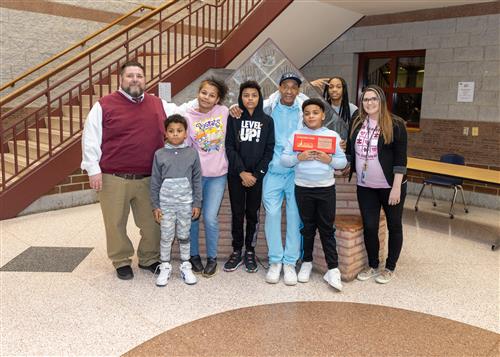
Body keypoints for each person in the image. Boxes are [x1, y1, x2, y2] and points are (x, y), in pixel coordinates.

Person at [81, 60, 165, 280]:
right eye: (130, 75)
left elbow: (189, 112)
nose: (135, 79)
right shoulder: (104, 105)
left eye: (139, 75)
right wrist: (93, 169)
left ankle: (149, 258)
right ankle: (121, 260)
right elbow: (90, 138)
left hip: (149, 178)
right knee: (115, 222)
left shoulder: (158, 103)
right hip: (113, 177)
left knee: (151, 222)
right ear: (121, 79)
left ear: (145, 79)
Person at [230, 72, 307, 286]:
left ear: (298, 90)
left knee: (293, 215)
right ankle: (275, 261)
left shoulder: (303, 110)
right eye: (286, 86)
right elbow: (244, 109)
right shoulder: (267, 108)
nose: (290, 90)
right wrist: (233, 108)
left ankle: (290, 262)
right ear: (279, 88)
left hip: (295, 172)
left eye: (294, 87)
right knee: (272, 214)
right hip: (272, 172)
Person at [281, 98, 347, 291]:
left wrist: (330, 159)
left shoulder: (332, 136)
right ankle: (307, 262)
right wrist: (297, 157)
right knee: (307, 227)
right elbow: (285, 160)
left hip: (326, 188)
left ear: (323, 115)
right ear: (304, 116)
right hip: (302, 188)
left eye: (315, 112)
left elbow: (342, 163)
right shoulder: (296, 136)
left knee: (327, 229)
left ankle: (333, 269)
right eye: (307, 113)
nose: (311, 116)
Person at [345, 84, 408, 284]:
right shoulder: (356, 121)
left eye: (373, 99)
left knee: (394, 225)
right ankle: (373, 264)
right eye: (365, 99)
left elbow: (400, 159)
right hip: (365, 186)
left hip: (390, 186)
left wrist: (396, 187)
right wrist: (345, 162)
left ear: (381, 101)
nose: (369, 103)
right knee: (370, 227)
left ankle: (390, 267)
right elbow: (350, 149)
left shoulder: (396, 124)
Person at [223, 81, 275, 273]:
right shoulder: (234, 118)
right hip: (236, 175)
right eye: (246, 95)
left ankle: (250, 251)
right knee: (237, 213)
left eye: (254, 95)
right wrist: (241, 172)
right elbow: (229, 147)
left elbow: (269, 150)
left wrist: (256, 174)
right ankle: (236, 250)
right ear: (241, 97)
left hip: (257, 177)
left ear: (259, 98)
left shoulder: (268, 121)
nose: (250, 99)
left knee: (252, 214)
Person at [183, 77, 230, 278]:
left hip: (218, 175)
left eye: (212, 95)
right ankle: (193, 256)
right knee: (192, 217)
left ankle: (212, 258)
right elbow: (185, 147)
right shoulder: (187, 116)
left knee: (210, 217)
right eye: (204, 93)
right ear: (198, 93)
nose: (207, 98)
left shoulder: (224, 112)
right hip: (195, 177)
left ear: (218, 99)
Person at [150, 114, 202, 287]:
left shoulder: (192, 154)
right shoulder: (159, 154)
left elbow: (197, 180)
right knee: (166, 235)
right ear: (165, 133)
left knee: (184, 235)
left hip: (186, 204)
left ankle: (185, 265)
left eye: (179, 131)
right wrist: (155, 206)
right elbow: (155, 182)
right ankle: (165, 266)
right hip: (165, 205)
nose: (175, 134)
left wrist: (196, 203)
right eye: (171, 131)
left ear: (186, 133)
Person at [312, 76, 358, 149]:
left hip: (342, 152)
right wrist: (310, 85)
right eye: (331, 87)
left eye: (338, 87)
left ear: (344, 89)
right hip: (323, 149)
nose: (334, 90)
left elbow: (357, 133)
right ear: (327, 90)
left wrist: (348, 142)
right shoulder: (321, 108)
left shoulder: (353, 109)